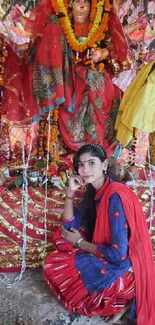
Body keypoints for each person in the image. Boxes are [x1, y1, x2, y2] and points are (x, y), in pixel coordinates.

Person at [44, 144, 155, 324]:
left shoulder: (115, 197)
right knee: (60, 237)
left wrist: (80, 242)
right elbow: (69, 224)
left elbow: (117, 255)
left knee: (55, 268)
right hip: (105, 252)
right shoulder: (93, 192)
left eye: (91, 163)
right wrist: (70, 193)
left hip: (122, 265)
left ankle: (123, 299)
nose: (85, 169)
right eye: (80, 164)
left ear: (104, 165)